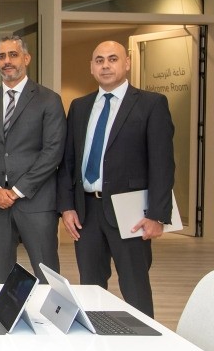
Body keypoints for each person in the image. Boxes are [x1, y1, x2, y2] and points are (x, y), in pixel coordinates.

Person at [58, 41, 174, 318]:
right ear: (91, 67)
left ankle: (142, 347)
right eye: (99, 60)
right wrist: (67, 207)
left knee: (135, 287)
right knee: (91, 287)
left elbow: (163, 163)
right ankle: (96, 340)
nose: (105, 65)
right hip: (86, 211)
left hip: (130, 212)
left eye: (112, 59)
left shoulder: (151, 104)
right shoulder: (80, 106)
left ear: (127, 63)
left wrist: (157, 215)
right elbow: (68, 162)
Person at [0, 35, 65, 283]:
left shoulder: (49, 99)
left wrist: (16, 190)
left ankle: (53, 321)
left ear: (26, 58)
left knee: (47, 275)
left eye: (12, 55)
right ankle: (4, 322)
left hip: (36, 202)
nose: (6, 61)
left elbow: (53, 151)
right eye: (1, 56)